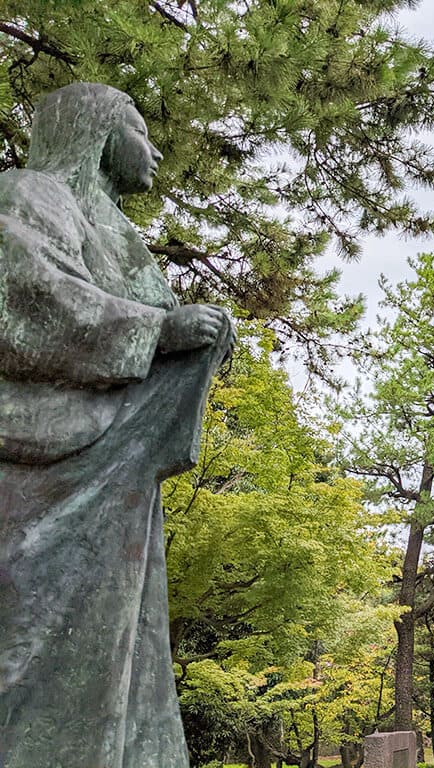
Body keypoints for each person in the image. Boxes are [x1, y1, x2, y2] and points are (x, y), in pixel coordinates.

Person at [0, 83, 233, 768]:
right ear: (101, 134)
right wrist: (159, 331)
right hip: (48, 457)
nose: (153, 147)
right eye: (139, 128)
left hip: (111, 464)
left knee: (121, 636)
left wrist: (197, 340)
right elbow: (29, 298)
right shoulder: (28, 193)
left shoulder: (108, 223)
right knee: (40, 638)